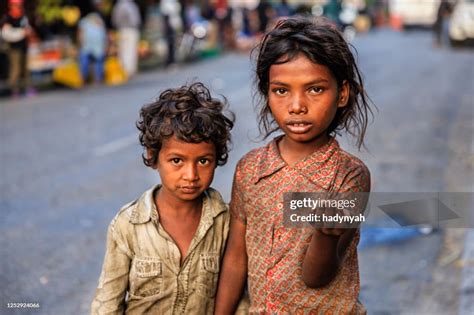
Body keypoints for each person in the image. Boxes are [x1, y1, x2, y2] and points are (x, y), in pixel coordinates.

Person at [215, 16, 373, 314]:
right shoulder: (250, 170)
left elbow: (317, 276)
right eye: (281, 90)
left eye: (315, 89)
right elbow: (236, 258)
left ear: (342, 93)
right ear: (266, 93)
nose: (297, 105)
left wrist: (326, 235)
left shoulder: (348, 177)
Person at [91, 82, 235, 314]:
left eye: (203, 161)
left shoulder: (225, 222)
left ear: (217, 159)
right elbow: (108, 303)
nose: (191, 175)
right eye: (177, 161)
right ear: (153, 156)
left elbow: (237, 292)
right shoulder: (128, 225)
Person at [1, 0, 34, 97]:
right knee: (15, 68)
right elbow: (6, 34)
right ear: (11, 5)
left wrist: (29, 32)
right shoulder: (7, 18)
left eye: (20, 5)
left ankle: (27, 87)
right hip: (14, 48)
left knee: (26, 68)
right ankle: (14, 90)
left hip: (24, 46)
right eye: (17, 5)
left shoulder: (23, 17)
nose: (19, 7)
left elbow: (27, 28)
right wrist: (21, 33)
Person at [111, 0, 141, 77]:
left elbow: (114, 19)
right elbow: (134, 19)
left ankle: (124, 70)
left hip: (122, 29)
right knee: (129, 50)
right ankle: (129, 70)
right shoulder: (128, 5)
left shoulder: (118, 5)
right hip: (130, 29)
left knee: (123, 50)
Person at [77, 12, 107, 84]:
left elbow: (104, 35)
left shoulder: (100, 22)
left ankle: (97, 79)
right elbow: (80, 34)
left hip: (98, 47)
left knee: (98, 63)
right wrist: (81, 43)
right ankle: (84, 78)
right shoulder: (84, 22)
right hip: (87, 46)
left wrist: (105, 45)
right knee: (84, 62)